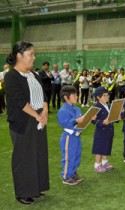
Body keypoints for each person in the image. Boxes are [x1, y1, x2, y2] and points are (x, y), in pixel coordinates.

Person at [5, 41, 50, 204]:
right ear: (19, 56)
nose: (34, 57)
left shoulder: (33, 74)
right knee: (24, 158)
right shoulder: (11, 76)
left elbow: (44, 94)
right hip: (24, 122)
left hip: (39, 118)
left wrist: (44, 111)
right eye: (31, 54)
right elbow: (19, 101)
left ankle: (36, 188)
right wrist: (37, 116)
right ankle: (23, 192)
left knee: (38, 155)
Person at [57, 85, 86, 185]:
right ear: (66, 97)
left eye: (76, 95)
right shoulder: (63, 110)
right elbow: (64, 123)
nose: (76, 97)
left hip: (76, 136)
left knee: (76, 155)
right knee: (69, 157)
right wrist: (76, 121)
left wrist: (89, 117)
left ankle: (73, 173)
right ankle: (66, 176)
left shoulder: (76, 108)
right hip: (68, 137)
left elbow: (82, 120)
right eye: (74, 95)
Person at [92, 86, 115, 173]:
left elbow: (112, 116)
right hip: (101, 132)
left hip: (109, 130)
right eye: (104, 95)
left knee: (107, 146)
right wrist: (102, 122)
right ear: (98, 97)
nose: (107, 97)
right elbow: (93, 120)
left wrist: (116, 118)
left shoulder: (108, 106)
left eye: (107, 95)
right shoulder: (96, 107)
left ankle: (105, 162)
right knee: (99, 148)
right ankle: (97, 165)